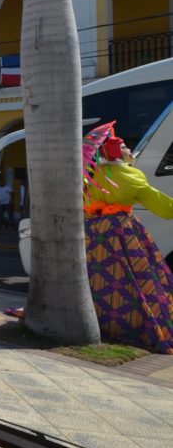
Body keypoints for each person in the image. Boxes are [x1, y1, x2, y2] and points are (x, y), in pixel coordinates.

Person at [82, 126, 173, 353]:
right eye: (123, 147)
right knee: (137, 277)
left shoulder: (92, 176)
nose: (128, 149)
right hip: (122, 231)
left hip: (94, 232)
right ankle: (137, 323)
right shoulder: (131, 177)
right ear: (115, 153)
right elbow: (163, 208)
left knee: (97, 276)